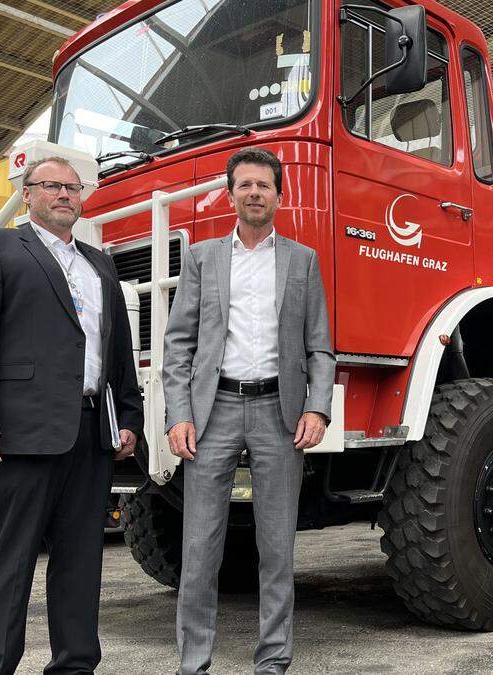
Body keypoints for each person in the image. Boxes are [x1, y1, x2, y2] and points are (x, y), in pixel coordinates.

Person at [0, 156, 143, 675]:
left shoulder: (101, 264)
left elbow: (117, 353)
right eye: (51, 186)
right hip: (21, 435)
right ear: (27, 193)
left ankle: (75, 666)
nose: (64, 194)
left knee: (81, 563)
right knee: (9, 565)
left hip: (89, 434)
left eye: (72, 187)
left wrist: (128, 417)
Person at [163, 147, 334, 675]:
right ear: (230, 193)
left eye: (264, 185)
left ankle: (274, 658)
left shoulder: (302, 261)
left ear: (280, 196)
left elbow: (320, 347)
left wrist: (318, 409)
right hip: (212, 414)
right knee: (200, 545)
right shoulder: (202, 259)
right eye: (245, 185)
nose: (254, 193)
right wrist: (178, 414)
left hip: (277, 413)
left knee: (276, 545)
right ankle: (194, 662)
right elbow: (178, 345)